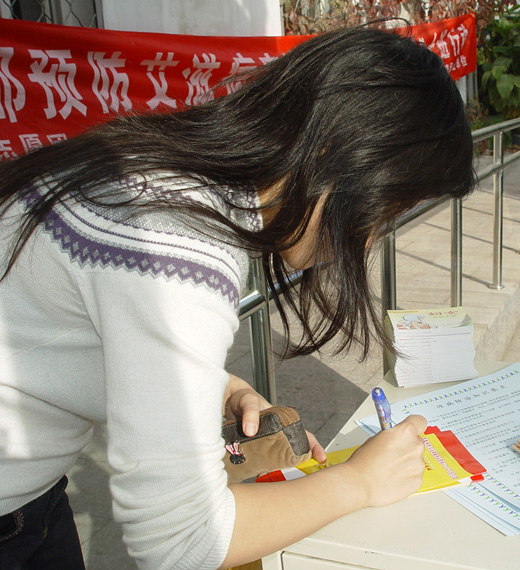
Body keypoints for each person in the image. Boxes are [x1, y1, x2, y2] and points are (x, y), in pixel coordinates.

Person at [0, 25, 475, 570]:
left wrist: (213, 385)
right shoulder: (176, 242)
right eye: (383, 213)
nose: (370, 240)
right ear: (339, 158)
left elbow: (67, 325)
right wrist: (360, 481)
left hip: (31, 496)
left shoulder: (156, 172)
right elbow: (182, 542)